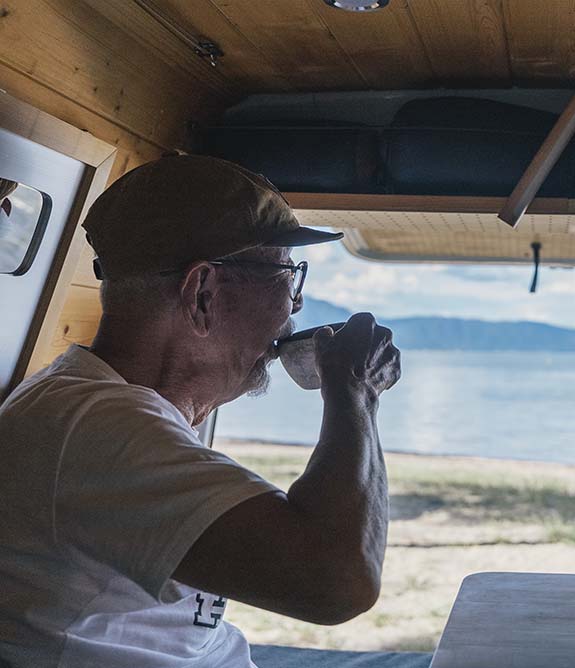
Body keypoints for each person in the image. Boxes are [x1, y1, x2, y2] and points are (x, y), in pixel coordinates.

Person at [0, 155, 401, 667]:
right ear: (203, 294)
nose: (296, 306)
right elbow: (337, 581)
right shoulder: (95, 426)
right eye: (287, 275)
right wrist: (356, 394)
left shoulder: (104, 411)